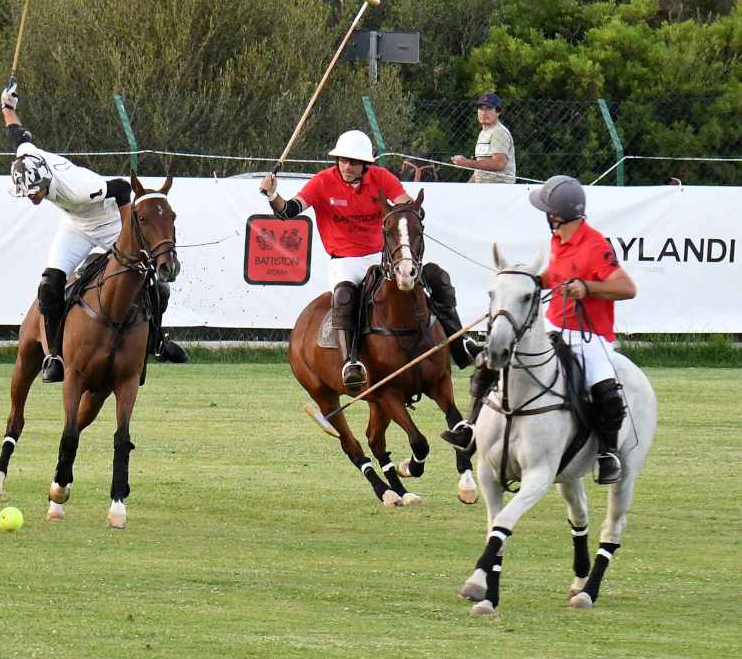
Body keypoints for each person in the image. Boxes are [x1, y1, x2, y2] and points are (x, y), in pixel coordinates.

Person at [443, 175, 636, 484]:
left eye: (548, 210)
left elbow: (627, 288)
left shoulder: (595, 244)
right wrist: (527, 282)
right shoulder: (557, 240)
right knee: (493, 363)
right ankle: (470, 428)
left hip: (591, 335)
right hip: (555, 326)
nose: (546, 216)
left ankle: (607, 453)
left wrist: (588, 288)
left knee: (604, 390)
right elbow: (553, 275)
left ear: (557, 214)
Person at [259, 130, 479, 396]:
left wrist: (411, 210)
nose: (347, 166)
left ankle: (459, 344)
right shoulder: (322, 183)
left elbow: (405, 205)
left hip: (381, 256)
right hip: (345, 260)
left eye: (353, 162)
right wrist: (273, 195)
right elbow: (288, 211)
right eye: (343, 160)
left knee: (436, 277)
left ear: (366, 164)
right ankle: (351, 363)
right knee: (343, 296)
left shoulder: (381, 178)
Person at [1, 78, 187, 383]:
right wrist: (8, 106)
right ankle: (55, 358)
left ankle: (158, 342)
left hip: (111, 222)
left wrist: (128, 232)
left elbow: (122, 189)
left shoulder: (79, 189)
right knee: (50, 284)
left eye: (34, 192)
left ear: (45, 179)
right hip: (76, 225)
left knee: (151, 281)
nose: (33, 197)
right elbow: (17, 132)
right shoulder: (28, 159)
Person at [451, 92, 516, 184]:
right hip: (483, 188)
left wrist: (467, 163)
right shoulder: (483, 133)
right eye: (481, 108)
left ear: (498, 112)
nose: (484, 113)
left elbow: (499, 163)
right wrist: (466, 187)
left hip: (499, 189)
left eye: (489, 108)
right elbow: (479, 169)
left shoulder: (499, 132)